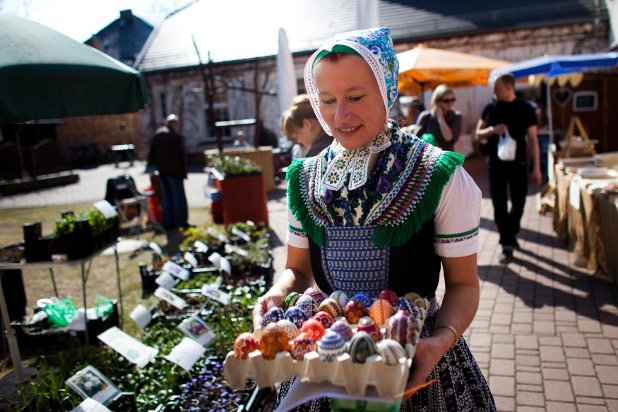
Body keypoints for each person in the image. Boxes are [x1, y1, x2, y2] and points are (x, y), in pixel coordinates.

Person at [253, 27, 496, 411]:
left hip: (416, 360)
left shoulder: (437, 175)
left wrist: (440, 340)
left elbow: (464, 283)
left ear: (386, 90)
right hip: (328, 357)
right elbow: (297, 272)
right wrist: (278, 294)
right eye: (328, 100)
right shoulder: (305, 178)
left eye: (356, 97)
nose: (340, 115)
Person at [475, 73, 541, 264]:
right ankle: (507, 243)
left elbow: (533, 140)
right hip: (496, 165)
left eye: (498, 87)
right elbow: (478, 134)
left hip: (519, 164)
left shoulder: (525, 108)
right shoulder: (490, 108)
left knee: (519, 203)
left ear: (509, 88)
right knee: (499, 203)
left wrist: (536, 167)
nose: (494, 91)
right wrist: (492, 130)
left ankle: (510, 234)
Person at [147, 114, 189, 230]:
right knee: (178, 197)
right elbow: (182, 155)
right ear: (174, 124)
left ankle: (168, 223)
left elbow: (151, 156)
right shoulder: (174, 136)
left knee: (167, 198)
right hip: (174, 171)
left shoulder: (157, 135)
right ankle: (181, 222)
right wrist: (183, 169)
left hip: (162, 171)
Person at [414, 84, 462, 151]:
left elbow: (449, 138)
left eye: (453, 99)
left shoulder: (456, 116)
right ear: (437, 102)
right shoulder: (425, 117)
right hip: (427, 157)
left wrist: (440, 117)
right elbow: (415, 140)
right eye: (446, 101)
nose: (450, 103)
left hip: (445, 158)